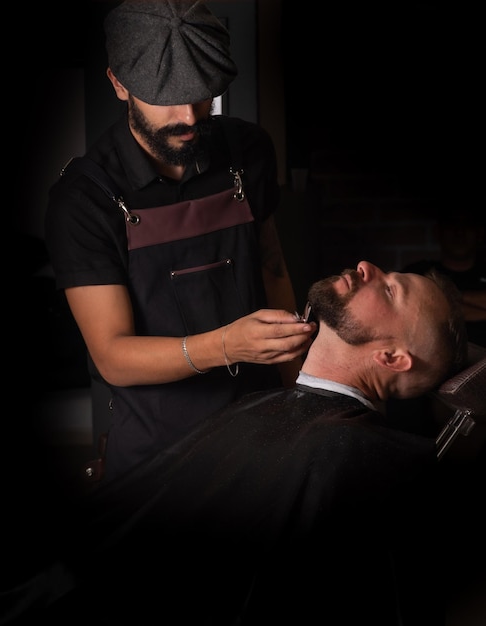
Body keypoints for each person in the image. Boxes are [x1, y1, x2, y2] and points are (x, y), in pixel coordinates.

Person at [0, 260, 467, 625]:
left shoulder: (359, 456)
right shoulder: (273, 409)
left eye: (392, 290)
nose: (367, 266)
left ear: (393, 359)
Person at [45, 0, 313, 482]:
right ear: (119, 83)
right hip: (158, 458)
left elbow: (272, 267)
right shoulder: (83, 200)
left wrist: (300, 389)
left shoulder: (249, 150)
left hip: (265, 431)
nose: (189, 117)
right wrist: (227, 345)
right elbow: (113, 356)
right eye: (166, 98)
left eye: (202, 96)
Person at [403, 207, 486, 347]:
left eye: (467, 225)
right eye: (452, 224)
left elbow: (431, 314)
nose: (459, 232)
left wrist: (442, 298)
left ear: (480, 233)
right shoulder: (418, 272)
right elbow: (412, 315)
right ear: (438, 232)